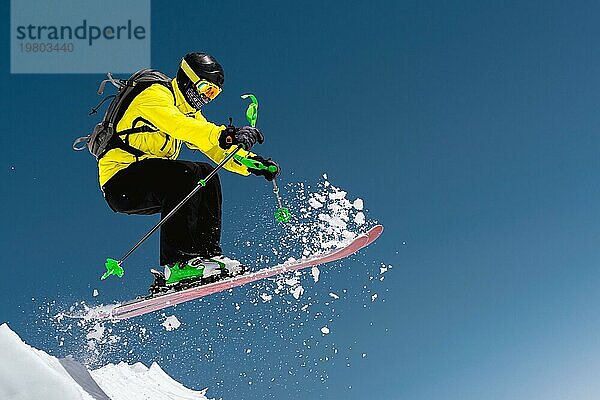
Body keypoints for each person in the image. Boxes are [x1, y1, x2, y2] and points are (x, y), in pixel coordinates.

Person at [98, 52, 279, 288]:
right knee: (187, 174)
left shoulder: (191, 114)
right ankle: (178, 264)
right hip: (121, 183)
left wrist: (251, 163)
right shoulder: (155, 95)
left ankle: (207, 255)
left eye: (213, 93)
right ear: (188, 79)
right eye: (205, 88)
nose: (206, 97)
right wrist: (226, 134)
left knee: (207, 173)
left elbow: (213, 145)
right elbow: (179, 126)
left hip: (151, 181)